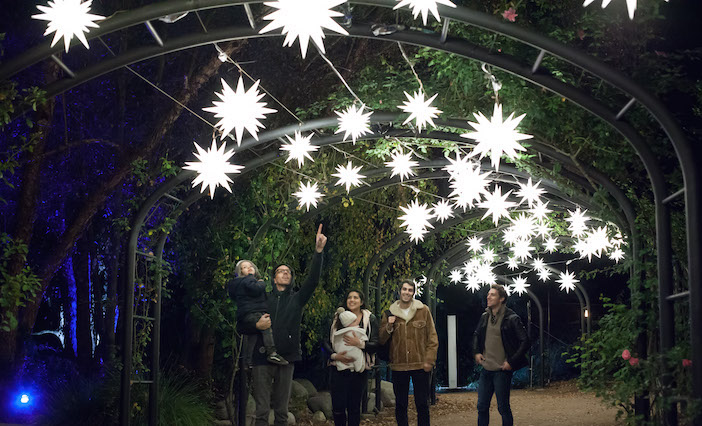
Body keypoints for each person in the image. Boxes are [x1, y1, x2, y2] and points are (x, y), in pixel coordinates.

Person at [242, 224, 328, 426]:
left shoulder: (297, 299)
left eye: (288, 272)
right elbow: (244, 321)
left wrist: (318, 252)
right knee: (262, 410)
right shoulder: (263, 298)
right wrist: (257, 326)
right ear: (274, 278)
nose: (285, 273)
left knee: (281, 411)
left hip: (287, 357)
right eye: (281, 271)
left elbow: (313, 281)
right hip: (262, 357)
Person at [379, 280, 439, 426]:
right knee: (400, 405)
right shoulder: (389, 312)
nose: (406, 292)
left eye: (410, 290)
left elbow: (432, 337)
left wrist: (429, 360)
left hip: (420, 364)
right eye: (404, 289)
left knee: (422, 404)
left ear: (413, 293)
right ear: (400, 291)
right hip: (398, 365)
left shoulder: (423, 310)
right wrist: (389, 325)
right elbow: (381, 339)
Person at [472, 284, 529, 426]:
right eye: (488, 294)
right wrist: (476, 352)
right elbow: (477, 335)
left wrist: (512, 361)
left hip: (501, 371)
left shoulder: (512, 318)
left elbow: (525, 341)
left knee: (503, 408)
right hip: (486, 369)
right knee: (482, 407)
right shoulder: (485, 316)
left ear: (502, 299)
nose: (488, 297)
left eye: (492, 295)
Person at [323, 289, 379, 426]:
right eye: (349, 297)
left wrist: (360, 344)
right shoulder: (336, 319)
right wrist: (334, 355)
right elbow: (324, 342)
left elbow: (377, 344)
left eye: (355, 297)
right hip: (337, 368)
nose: (352, 300)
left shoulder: (370, 319)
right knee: (338, 407)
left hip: (360, 370)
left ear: (362, 301)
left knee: (354, 407)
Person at [227, 259, 287, 365]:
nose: (249, 268)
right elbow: (256, 288)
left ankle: (248, 361)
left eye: (250, 266)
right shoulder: (248, 280)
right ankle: (272, 352)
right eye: (244, 267)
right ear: (240, 272)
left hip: (245, 313)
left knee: (253, 336)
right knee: (266, 328)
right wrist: (261, 283)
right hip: (254, 312)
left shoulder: (237, 284)